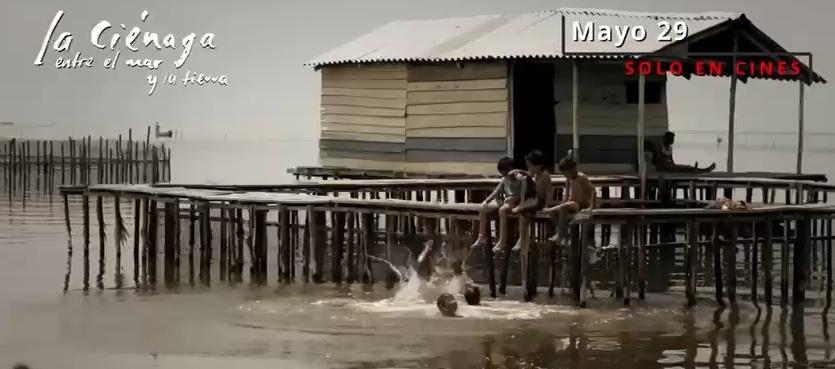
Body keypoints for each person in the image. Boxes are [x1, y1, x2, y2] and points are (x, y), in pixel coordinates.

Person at [470, 156, 535, 253]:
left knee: (503, 210)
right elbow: (496, 192)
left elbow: (529, 178)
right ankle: (482, 236)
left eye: (505, 172)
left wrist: (519, 172)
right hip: (507, 202)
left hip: (516, 202)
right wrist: (486, 201)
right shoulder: (504, 180)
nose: (503, 174)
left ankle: (502, 241)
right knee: (483, 208)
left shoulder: (521, 179)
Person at [509, 150, 552, 252]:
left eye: (530, 166)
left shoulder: (545, 175)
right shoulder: (535, 174)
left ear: (538, 165)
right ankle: (522, 237)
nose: (529, 168)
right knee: (524, 214)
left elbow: (550, 192)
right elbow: (526, 173)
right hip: (535, 200)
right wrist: (518, 170)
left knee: (522, 210)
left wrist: (547, 206)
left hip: (540, 202)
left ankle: (522, 238)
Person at [545, 156, 595, 243]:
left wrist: (591, 206)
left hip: (582, 203)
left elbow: (593, 191)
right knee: (553, 213)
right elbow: (567, 194)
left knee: (562, 207)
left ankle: (561, 235)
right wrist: (564, 202)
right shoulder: (568, 179)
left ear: (573, 169)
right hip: (572, 203)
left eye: (567, 173)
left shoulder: (582, 177)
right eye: (564, 174)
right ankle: (564, 233)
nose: (566, 175)